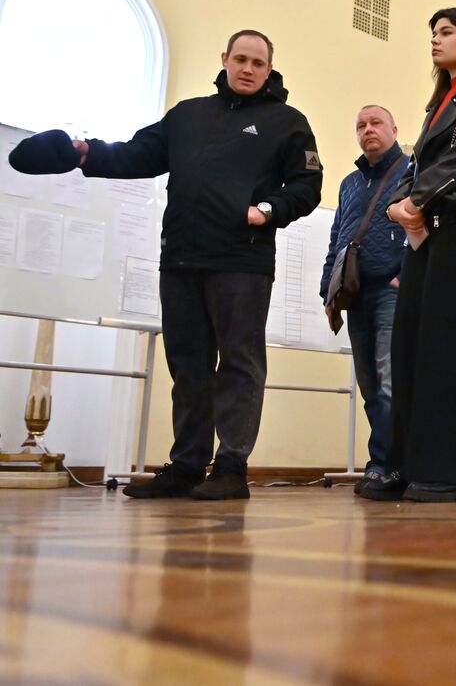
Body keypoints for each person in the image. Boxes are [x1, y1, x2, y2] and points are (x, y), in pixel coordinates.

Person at [10, 29, 327, 500]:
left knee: (239, 363)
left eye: (257, 63)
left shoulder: (288, 122)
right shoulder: (188, 115)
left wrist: (266, 211)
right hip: (180, 256)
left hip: (242, 259)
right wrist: (84, 153)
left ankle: (231, 468)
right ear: (224, 59)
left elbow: (307, 186)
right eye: (240, 59)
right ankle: (185, 466)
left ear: (269, 68)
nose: (247, 69)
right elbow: (140, 154)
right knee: (188, 365)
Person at [360, 8, 456, 503]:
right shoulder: (438, 101)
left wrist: (417, 198)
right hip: (430, 230)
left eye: (446, 31)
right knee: (411, 347)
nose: (435, 38)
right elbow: (419, 161)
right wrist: (397, 205)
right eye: (432, 31)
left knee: (449, 346)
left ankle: (453, 472)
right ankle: (409, 464)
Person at [319, 105, 409, 493]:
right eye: (361, 125)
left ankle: (390, 465)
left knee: (390, 381)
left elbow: (424, 228)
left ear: (393, 129)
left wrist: (404, 275)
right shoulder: (349, 183)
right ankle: (381, 462)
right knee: (370, 384)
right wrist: (329, 290)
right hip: (354, 295)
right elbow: (337, 237)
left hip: (391, 292)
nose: (368, 130)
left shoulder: (412, 172)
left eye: (375, 123)